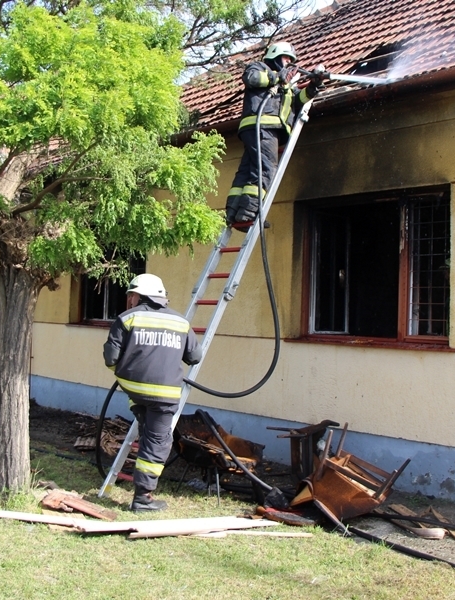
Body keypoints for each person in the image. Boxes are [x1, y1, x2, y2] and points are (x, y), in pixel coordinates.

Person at [103, 273, 203, 512]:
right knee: (158, 442)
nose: (129, 300)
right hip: (164, 398)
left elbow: (110, 358)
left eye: (131, 295)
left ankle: (142, 491)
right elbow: (195, 357)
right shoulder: (180, 322)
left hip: (135, 392)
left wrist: (128, 374)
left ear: (140, 296)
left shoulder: (126, 318)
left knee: (148, 431)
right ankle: (143, 498)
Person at [225, 41, 325, 226]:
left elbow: (297, 100)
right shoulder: (260, 68)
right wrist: (278, 76)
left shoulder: (286, 83)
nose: (289, 62)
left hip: (257, 130)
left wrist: (313, 87)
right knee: (266, 169)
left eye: (291, 59)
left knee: (247, 171)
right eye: (286, 58)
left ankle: (233, 212)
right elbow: (251, 78)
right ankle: (249, 213)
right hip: (263, 126)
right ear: (275, 56)